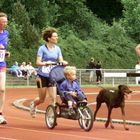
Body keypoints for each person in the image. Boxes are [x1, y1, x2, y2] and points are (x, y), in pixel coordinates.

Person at [30, 27, 68, 118]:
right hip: (42, 76)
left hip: (52, 76)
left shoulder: (57, 48)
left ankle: (51, 117)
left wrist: (64, 62)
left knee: (53, 98)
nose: (57, 38)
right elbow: (37, 62)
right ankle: (33, 104)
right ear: (49, 38)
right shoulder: (42, 49)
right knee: (42, 99)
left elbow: (61, 60)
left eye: (57, 36)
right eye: (55, 36)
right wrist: (45, 63)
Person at [0, 12, 10, 124]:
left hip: (1, 64)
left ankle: (0, 114)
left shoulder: (6, 33)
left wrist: (6, 53)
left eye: (5, 21)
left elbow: (4, 48)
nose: (4, 23)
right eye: (2, 21)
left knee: (2, 89)